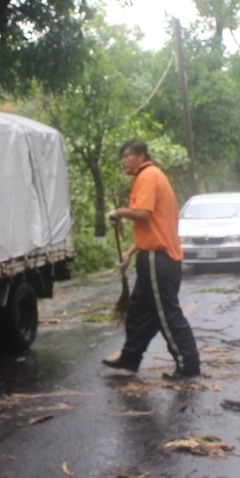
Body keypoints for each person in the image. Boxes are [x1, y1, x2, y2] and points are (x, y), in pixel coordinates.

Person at [102, 140, 201, 380]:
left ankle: (188, 365)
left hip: (159, 259)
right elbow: (154, 226)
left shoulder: (147, 176)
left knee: (166, 314)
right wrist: (130, 252)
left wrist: (119, 212)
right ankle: (130, 357)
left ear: (140, 155)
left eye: (126, 156)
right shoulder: (150, 176)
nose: (123, 161)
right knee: (139, 312)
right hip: (152, 257)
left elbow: (142, 215)